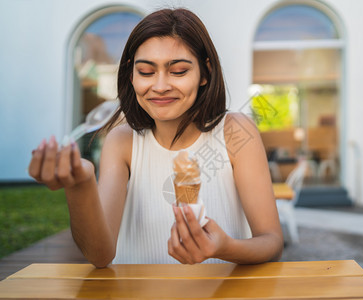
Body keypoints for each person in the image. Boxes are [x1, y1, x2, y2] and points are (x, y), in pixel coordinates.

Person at [28, 8, 283, 267]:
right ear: (131, 75)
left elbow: (272, 242)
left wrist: (224, 247)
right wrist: (80, 184)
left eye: (179, 71)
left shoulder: (236, 131)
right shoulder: (121, 141)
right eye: (147, 72)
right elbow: (99, 255)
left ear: (205, 73)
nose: (160, 86)